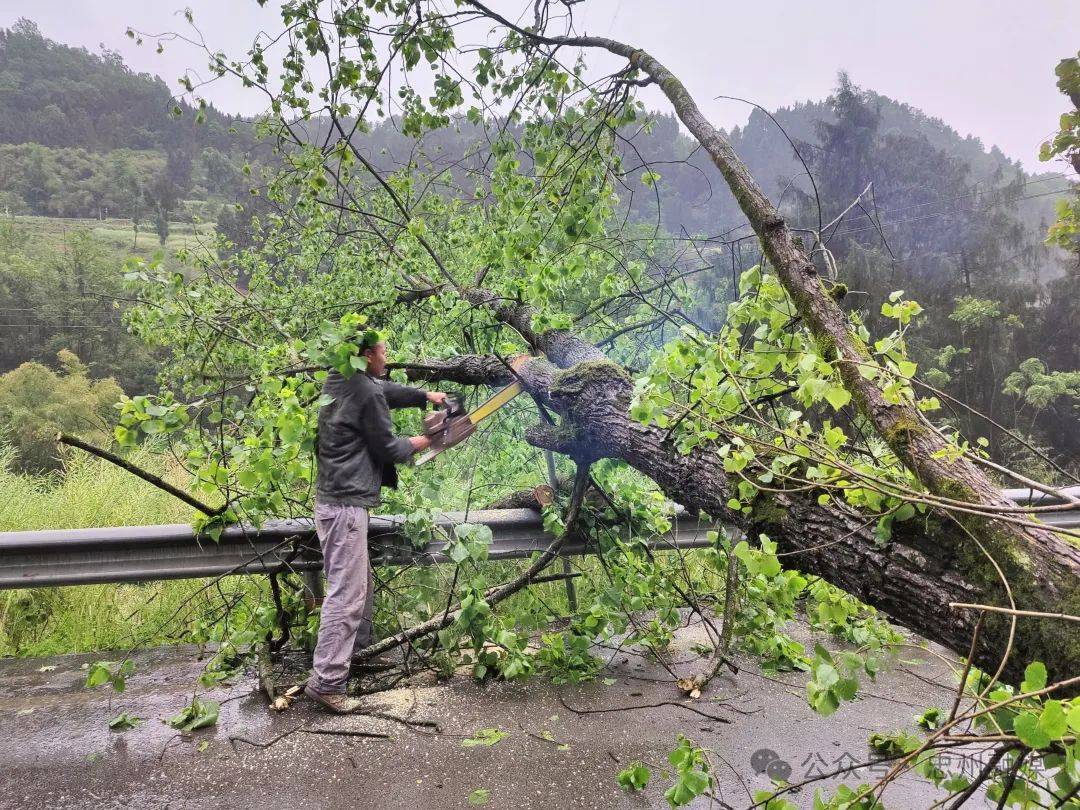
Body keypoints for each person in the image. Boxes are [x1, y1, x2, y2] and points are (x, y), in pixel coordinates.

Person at [304, 334, 446, 713]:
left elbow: (383, 389)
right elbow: (389, 448)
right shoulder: (364, 391)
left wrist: (424, 397)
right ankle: (327, 682)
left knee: (359, 587)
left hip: (336, 502)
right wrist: (427, 440)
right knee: (347, 596)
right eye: (384, 351)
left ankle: (356, 656)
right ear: (367, 356)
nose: (388, 356)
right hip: (346, 507)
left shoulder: (341, 377)